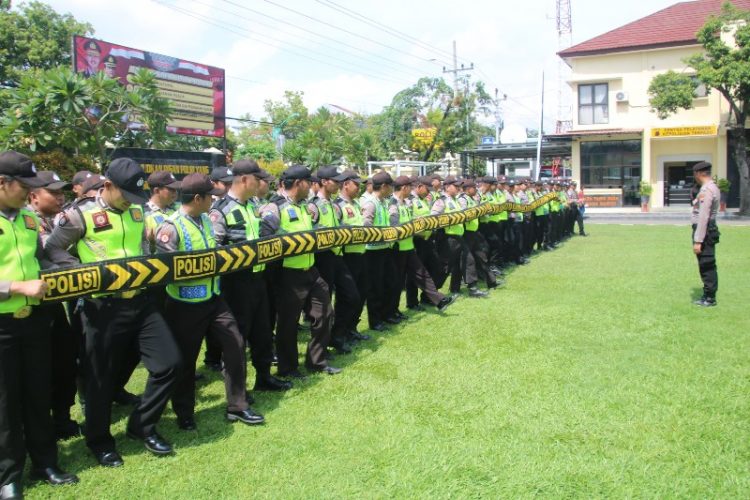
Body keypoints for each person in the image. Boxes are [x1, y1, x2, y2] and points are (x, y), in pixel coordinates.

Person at [45, 158, 182, 466]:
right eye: (125, 194)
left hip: (141, 301)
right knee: (99, 379)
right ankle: (100, 441)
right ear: (108, 186)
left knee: (169, 363)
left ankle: (141, 425)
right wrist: (83, 271)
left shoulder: (137, 211)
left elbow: (144, 245)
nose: (131, 202)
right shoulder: (80, 215)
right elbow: (52, 249)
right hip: (101, 307)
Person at [156, 173, 264, 429]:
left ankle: (238, 406)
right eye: (210, 197)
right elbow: (167, 271)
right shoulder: (170, 227)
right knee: (186, 359)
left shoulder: (206, 219)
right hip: (184, 305)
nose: (213, 201)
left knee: (236, 344)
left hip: (214, 298)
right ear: (197, 198)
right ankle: (184, 412)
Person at [0, 151, 79, 498]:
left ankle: (46, 462)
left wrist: (68, 267)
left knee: (37, 393)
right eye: (24, 186)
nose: (29, 193)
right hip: (2, 326)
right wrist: (16, 287)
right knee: (5, 402)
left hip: (35, 321)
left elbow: (42, 259)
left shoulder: (29, 221)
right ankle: (8, 476)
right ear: (3, 184)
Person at [210, 160, 290, 391]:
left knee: (263, 333)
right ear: (244, 179)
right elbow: (214, 251)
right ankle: (238, 390)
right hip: (235, 284)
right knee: (237, 340)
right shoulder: (221, 210)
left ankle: (264, 377)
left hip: (259, 279)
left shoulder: (252, 205)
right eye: (258, 179)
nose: (261, 184)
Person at [260, 165, 341, 376]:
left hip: (310, 270)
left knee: (325, 312)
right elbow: (265, 239)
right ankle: (287, 368)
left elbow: (310, 231)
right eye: (309, 181)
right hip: (287, 274)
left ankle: (317, 361)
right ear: (298, 183)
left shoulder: (305, 206)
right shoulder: (275, 208)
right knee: (288, 323)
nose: (312, 185)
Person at [27, 172, 83, 441]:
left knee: (64, 363)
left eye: (62, 192)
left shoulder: (51, 221)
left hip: (52, 306)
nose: (61, 197)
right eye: (54, 192)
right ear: (34, 196)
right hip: (22, 308)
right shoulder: (25, 223)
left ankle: (62, 419)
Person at [308, 166, 361, 354]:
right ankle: (325, 342)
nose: (339, 183)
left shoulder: (333, 205)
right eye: (335, 180)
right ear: (324, 182)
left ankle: (338, 335)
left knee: (351, 296)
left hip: (337, 256)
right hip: (322, 258)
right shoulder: (313, 205)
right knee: (324, 305)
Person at [388, 175, 454, 313]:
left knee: (422, 273)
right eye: (410, 188)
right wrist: (415, 226)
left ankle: (438, 299)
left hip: (410, 245)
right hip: (398, 247)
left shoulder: (405, 203)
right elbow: (395, 225)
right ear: (405, 188)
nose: (411, 190)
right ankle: (394, 311)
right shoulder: (393, 203)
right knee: (398, 281)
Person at [431, 176, 487, 298]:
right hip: (448, 239)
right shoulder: (441, 201)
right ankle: (431, 293)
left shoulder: (456, 200)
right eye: (455, 186)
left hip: (459, 236)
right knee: (446, 267)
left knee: (468, 260)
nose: (458, 188)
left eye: (458, 186)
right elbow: (433, 219)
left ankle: (470, 288)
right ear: (447, 187)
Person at [333, 170, 371, 343]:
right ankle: (339, 333)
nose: (359, 188)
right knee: (347, 298)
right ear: (346, 184)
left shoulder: (356, 204)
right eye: (356, 184)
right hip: (347, 256)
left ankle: (351, 328)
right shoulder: (338, 205)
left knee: (361, 294)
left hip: (361, 254)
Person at [361, 171, 396, 331]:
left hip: (385, 249)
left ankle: (386, 315)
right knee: (374, 287)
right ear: (383, 186)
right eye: (391, 186)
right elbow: (366, 228)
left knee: (388, 283)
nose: (392, 189)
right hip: (372, 252)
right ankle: (375, 321)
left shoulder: (383, 202)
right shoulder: (371, 203)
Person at [458, 179, 497, 291]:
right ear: (468, 189)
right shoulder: (462, 199)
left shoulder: (472, 199)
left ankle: (491, 282)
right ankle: (472, 286)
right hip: (466, 233)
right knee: (469, 259)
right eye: (474, 188)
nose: (476, 189)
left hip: (474, 232)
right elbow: (464, 214)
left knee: (482, 256)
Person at [691, 161, 720, 307]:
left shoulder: (707, 190)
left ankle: (709, 298)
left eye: (695, 174)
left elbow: (703, 216)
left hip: (706, 231)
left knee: (707, 264)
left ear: (699, 173)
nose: (694, 176)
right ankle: (707, 295)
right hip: (708, 230)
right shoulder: (708, 187)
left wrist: (698, 240)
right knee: (705, 263)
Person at [144, 171, 181, 245]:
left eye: (176, 189)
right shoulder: (144, 214)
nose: (175, 192)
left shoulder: (179, 210)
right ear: (157, 191)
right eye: (171, 189)